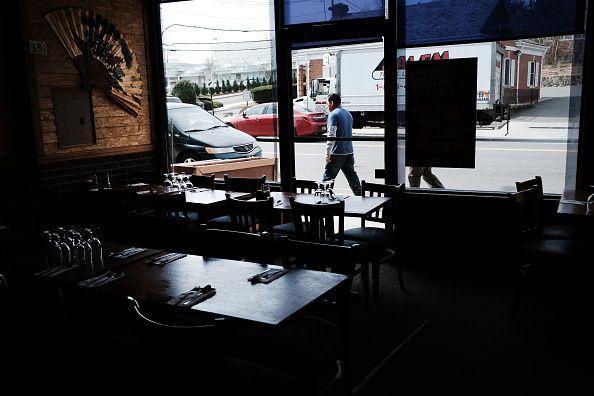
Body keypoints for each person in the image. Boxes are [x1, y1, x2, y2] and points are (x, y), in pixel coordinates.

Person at [322, 93, 362, 196]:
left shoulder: (333, 115)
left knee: (328, 179)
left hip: (337, 152)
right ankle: (360, 196)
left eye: (327, 104)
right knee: (352, 176)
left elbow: (331, 135)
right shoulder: (348, 114)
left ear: (331, 102)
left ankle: (325, 201)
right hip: (349, 151)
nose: (327, 107)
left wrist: (327, 152)